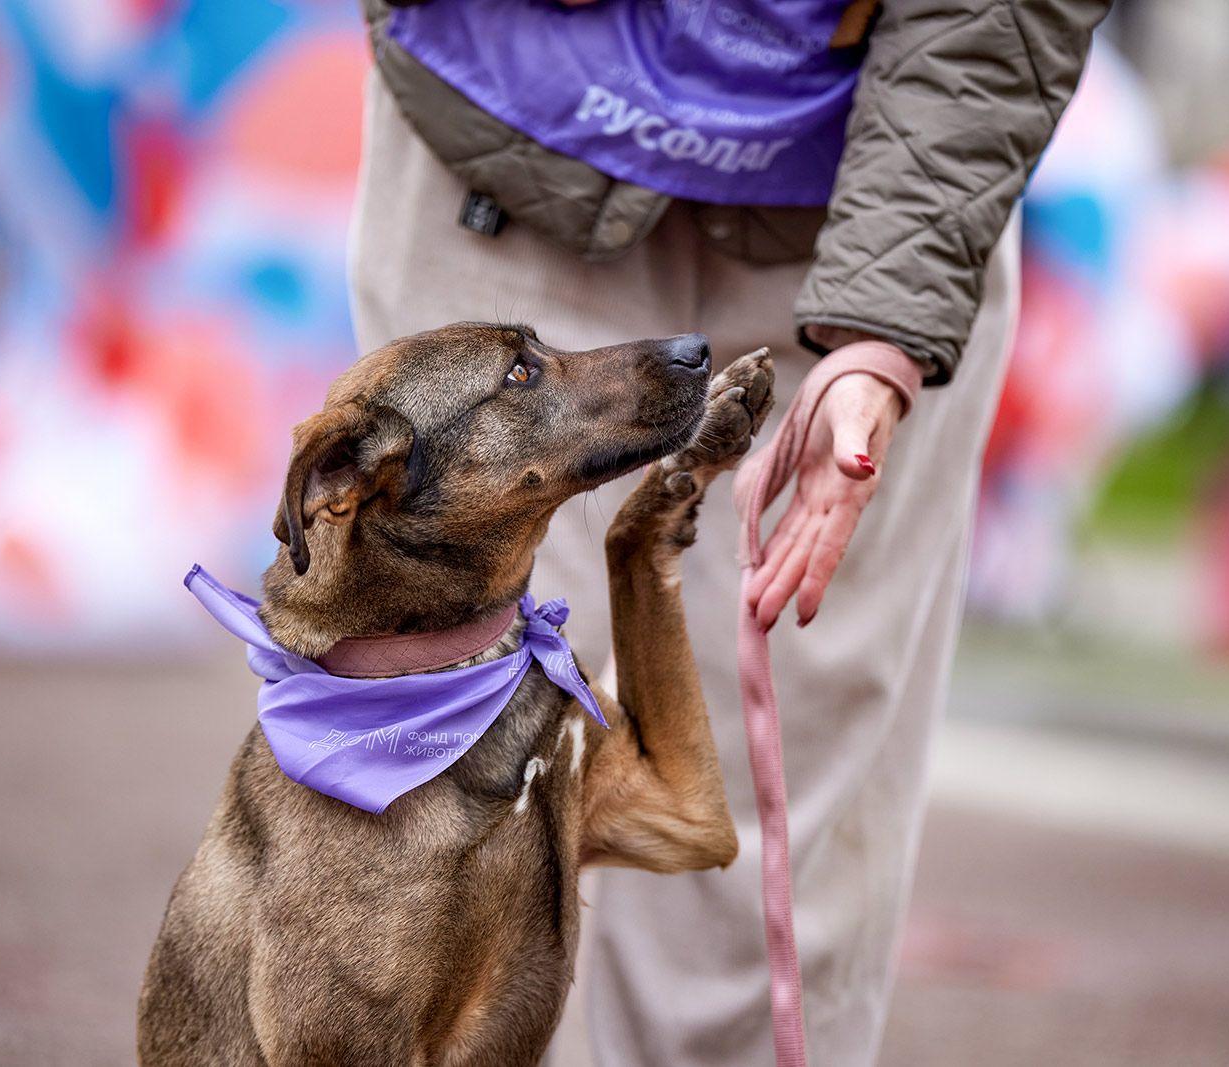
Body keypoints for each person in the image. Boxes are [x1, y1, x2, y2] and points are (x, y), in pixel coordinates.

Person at [346, 1, 1107, 1062]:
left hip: (865, 198)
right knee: (446, 780)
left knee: (762, 826)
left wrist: (883, 337)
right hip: (501, 140)